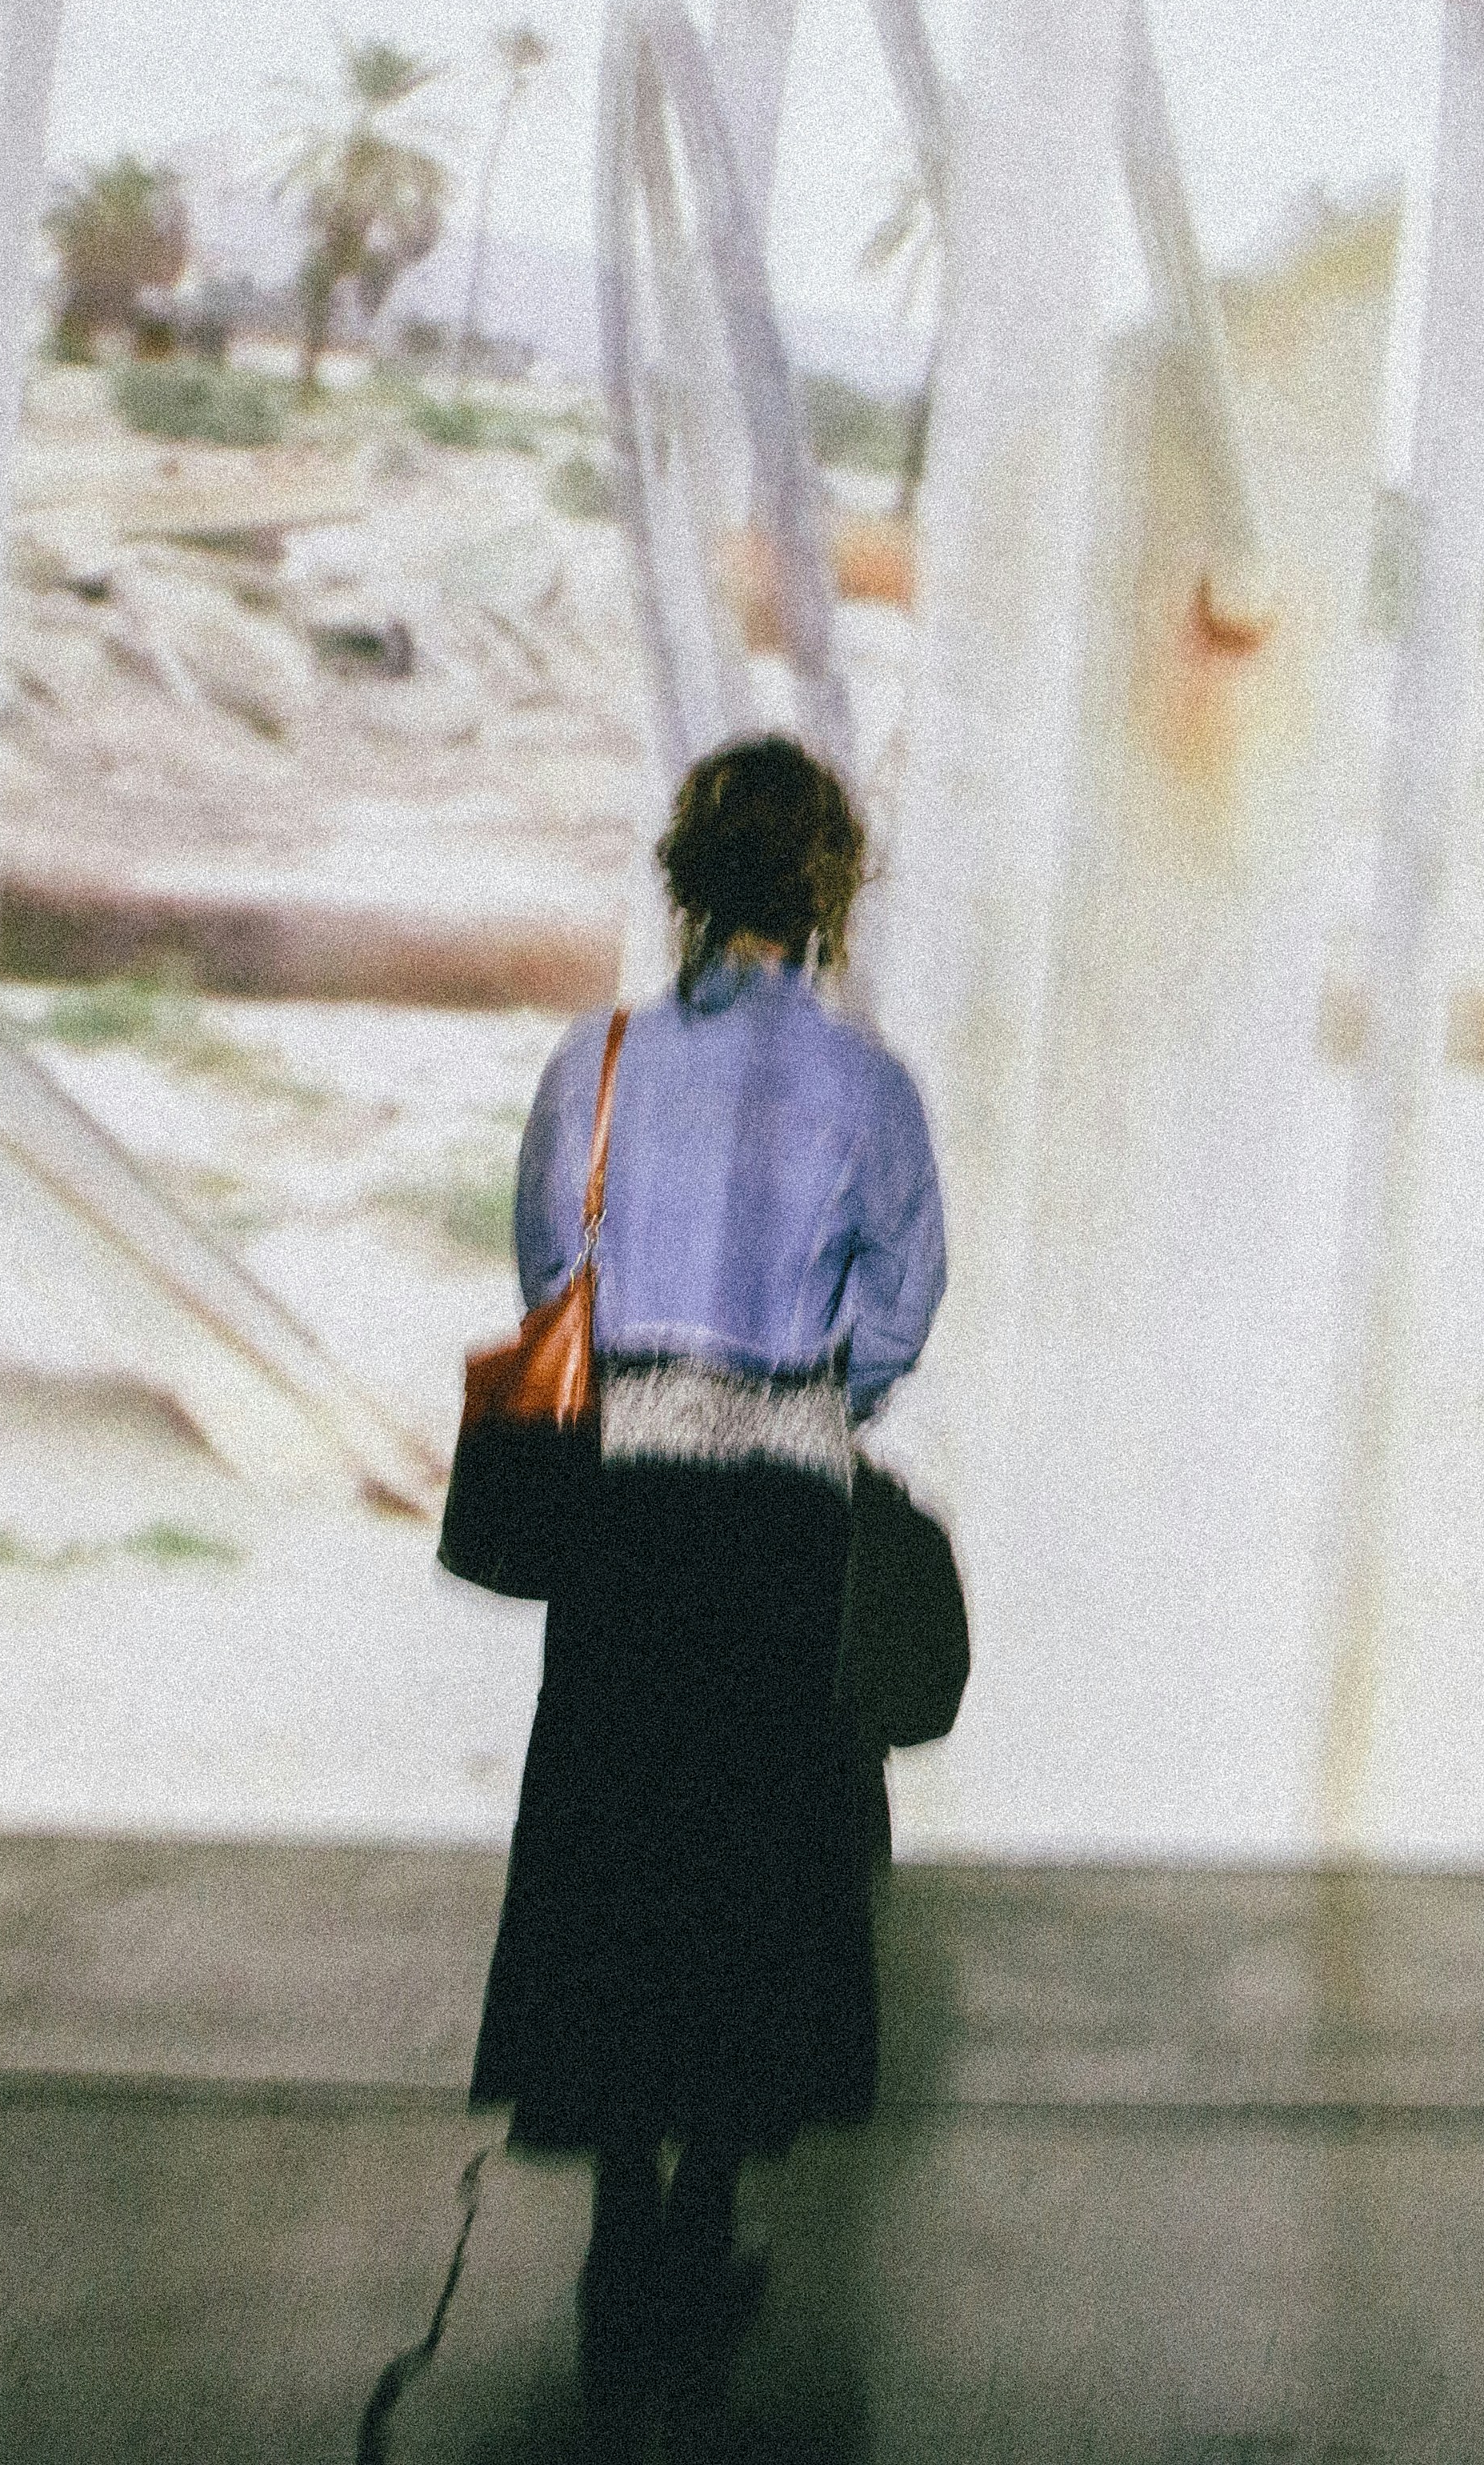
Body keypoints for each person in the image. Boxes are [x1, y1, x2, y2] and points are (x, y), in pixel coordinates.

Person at [468, 731, 946, 2392]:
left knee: (616, 1838)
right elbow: (902, 1297)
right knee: (755, 1854)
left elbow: (552, 1265)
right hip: (782, 1516)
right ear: (827, 894)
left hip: (628, 1499)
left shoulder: (596, 1061)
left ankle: (614, 2214)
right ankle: (710, 2210)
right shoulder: (870, 1086)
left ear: (683, 879)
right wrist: (817, 1390)